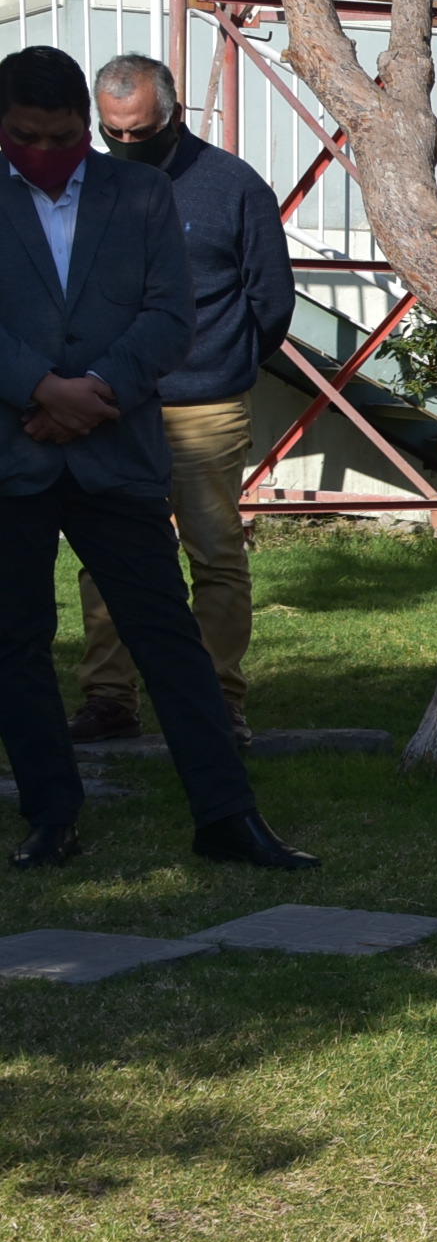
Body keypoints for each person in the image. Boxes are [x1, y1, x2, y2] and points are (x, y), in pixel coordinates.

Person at [0, 46, 316, 872]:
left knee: (168, 637)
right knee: (18, 642)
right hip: (15, 456)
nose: (43, 150)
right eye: (24, 135)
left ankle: (227, 816)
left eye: (61, 135)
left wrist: (92, 389)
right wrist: (38, 387)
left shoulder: (138, 193)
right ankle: (50, 814)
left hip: (117, 449)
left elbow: (169, 316)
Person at [65, 54, 293, 747]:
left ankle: (215, 699)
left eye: (141, 132)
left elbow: (271, 300)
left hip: (203, 405)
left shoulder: (232, 186)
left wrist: (224, 365)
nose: (126, 146)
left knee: (214, 552)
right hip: (109, 406)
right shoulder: (88, 187)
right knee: (109, 554)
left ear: (174, 115)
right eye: (113, 133)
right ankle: (110, 698)